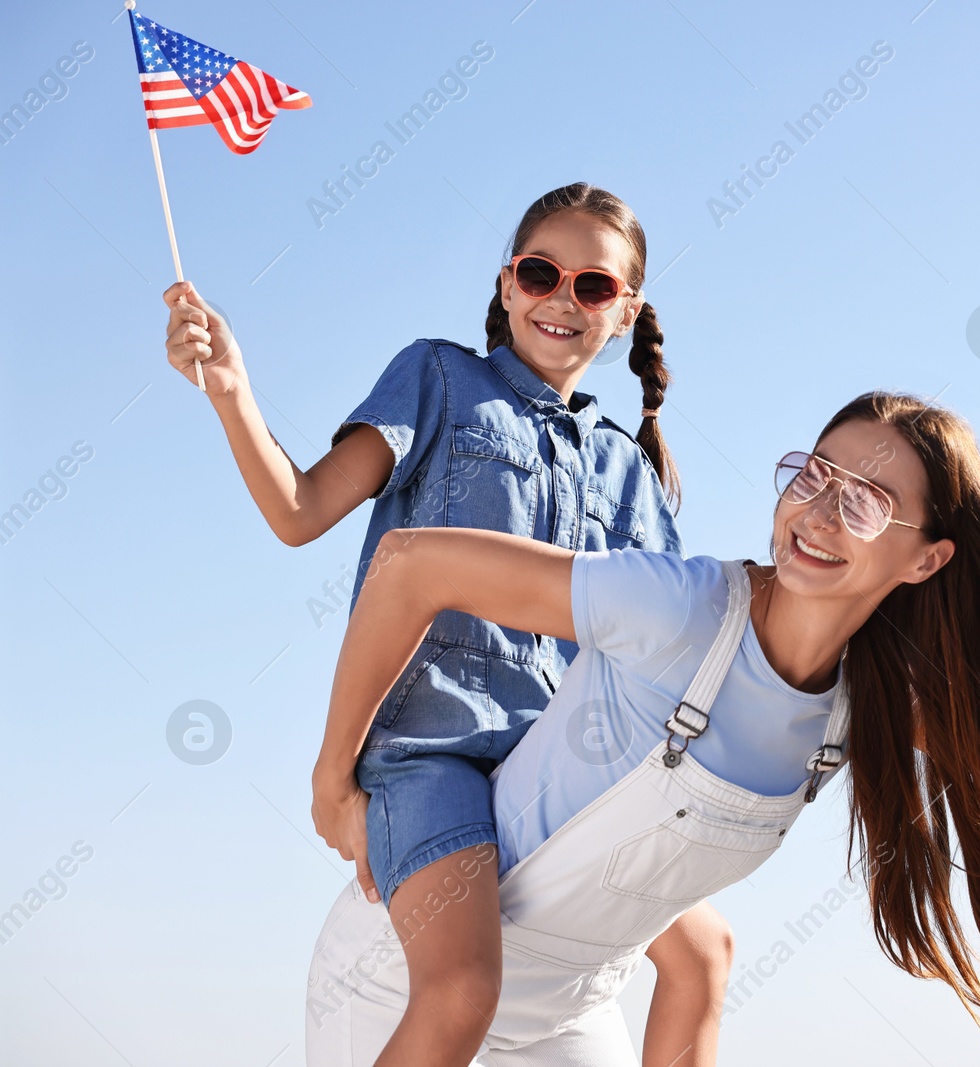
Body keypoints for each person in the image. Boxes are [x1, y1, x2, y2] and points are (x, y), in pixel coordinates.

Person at [303, 391, 980, 1066]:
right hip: (411, 987)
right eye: (813, 475)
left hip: (570, 1012)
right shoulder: (676, 604)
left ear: (925, 558)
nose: (820, 511)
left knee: (704, 954)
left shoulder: (862, 701)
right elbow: (413, 564)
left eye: (866, 500)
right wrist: (334, 776)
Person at [162, 183, 734, 1067]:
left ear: (624, 314)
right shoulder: (438, 378)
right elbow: (300, 508)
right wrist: (232, 392)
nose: (561, 299)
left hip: (563, 769)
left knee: (704, 953)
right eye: (542, 272)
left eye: (593, 286)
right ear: (508, 285)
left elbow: (656, 660)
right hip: (436, 752)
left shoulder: (633, 472)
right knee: (466, 983)